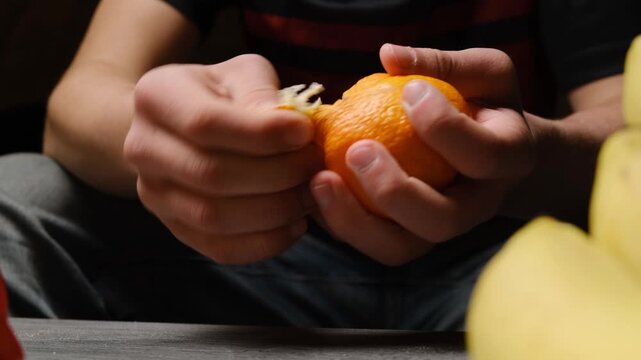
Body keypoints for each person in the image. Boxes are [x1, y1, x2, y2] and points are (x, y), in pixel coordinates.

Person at [0, 0, 638, 330]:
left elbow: (624, 133)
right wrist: (199, 151)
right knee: (18, 196)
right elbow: (79, 105)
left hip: (510, 268)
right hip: (259, 266)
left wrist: (526, 156)